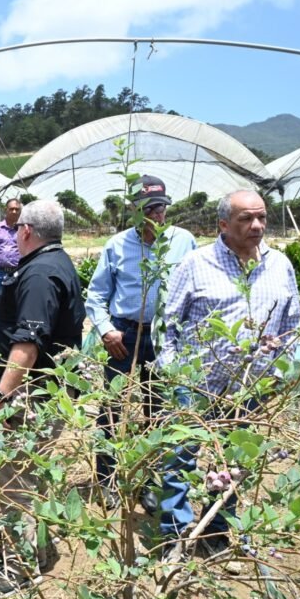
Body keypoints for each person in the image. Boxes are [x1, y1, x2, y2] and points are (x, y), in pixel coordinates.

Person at [155, 190, 300, 560]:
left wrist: (278, 373)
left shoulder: (280, 265)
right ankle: (173, 535)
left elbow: (291, 325)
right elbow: (166, 323)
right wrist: (174, 375)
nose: (257, 226)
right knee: (180, 459)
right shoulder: (196, 263)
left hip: (251, 388)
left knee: (234, 462)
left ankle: (216, 531)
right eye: (245, 219)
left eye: (261, 217)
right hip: (195, 385)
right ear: (223, 224)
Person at [0, 199, 85, 598]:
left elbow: (28, 346)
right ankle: (36, 549)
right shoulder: (55, 263)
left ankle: (19, 570)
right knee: (30, 476)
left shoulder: (38, 273)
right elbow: (41, 326)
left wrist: (0, 398)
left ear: (25, 231)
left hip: (30, 397)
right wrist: (0, 326)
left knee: (15, 480)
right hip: (45, 391)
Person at [85, 175, 196, 514]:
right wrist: (106, 330)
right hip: (123, 336)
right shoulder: (117, 245)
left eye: (161, 208)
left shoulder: (184, 242)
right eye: (149, 209)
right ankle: (107, 480)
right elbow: (96, 294)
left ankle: (147, 483)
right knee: (112, 408)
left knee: (157, 412)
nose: (157, 215)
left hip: (164, 337)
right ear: (134, 211)